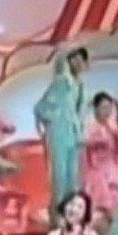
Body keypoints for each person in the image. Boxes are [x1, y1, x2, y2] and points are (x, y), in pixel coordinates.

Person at [34, 47, 88, 223]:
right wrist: (55, 119)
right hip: (59, 133)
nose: (77, 63)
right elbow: (40, 107)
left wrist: (79, 131)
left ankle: (72, 215)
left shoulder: (80, 85)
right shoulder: (61, 81)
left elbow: (79, 112)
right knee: (60, 176)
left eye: (81, 60)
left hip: (74, 135)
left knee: (73, 177)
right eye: (74, 59)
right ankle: (57, 217)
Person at [82, 92, 118, 228]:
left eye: (109, 108)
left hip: (112, 169)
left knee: (117, 205)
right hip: (96, 169)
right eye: (104, 107)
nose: (107, 111)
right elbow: (85, 147)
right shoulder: (90, 126)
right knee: (101, 207)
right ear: (96, 108)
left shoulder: (112, 125)